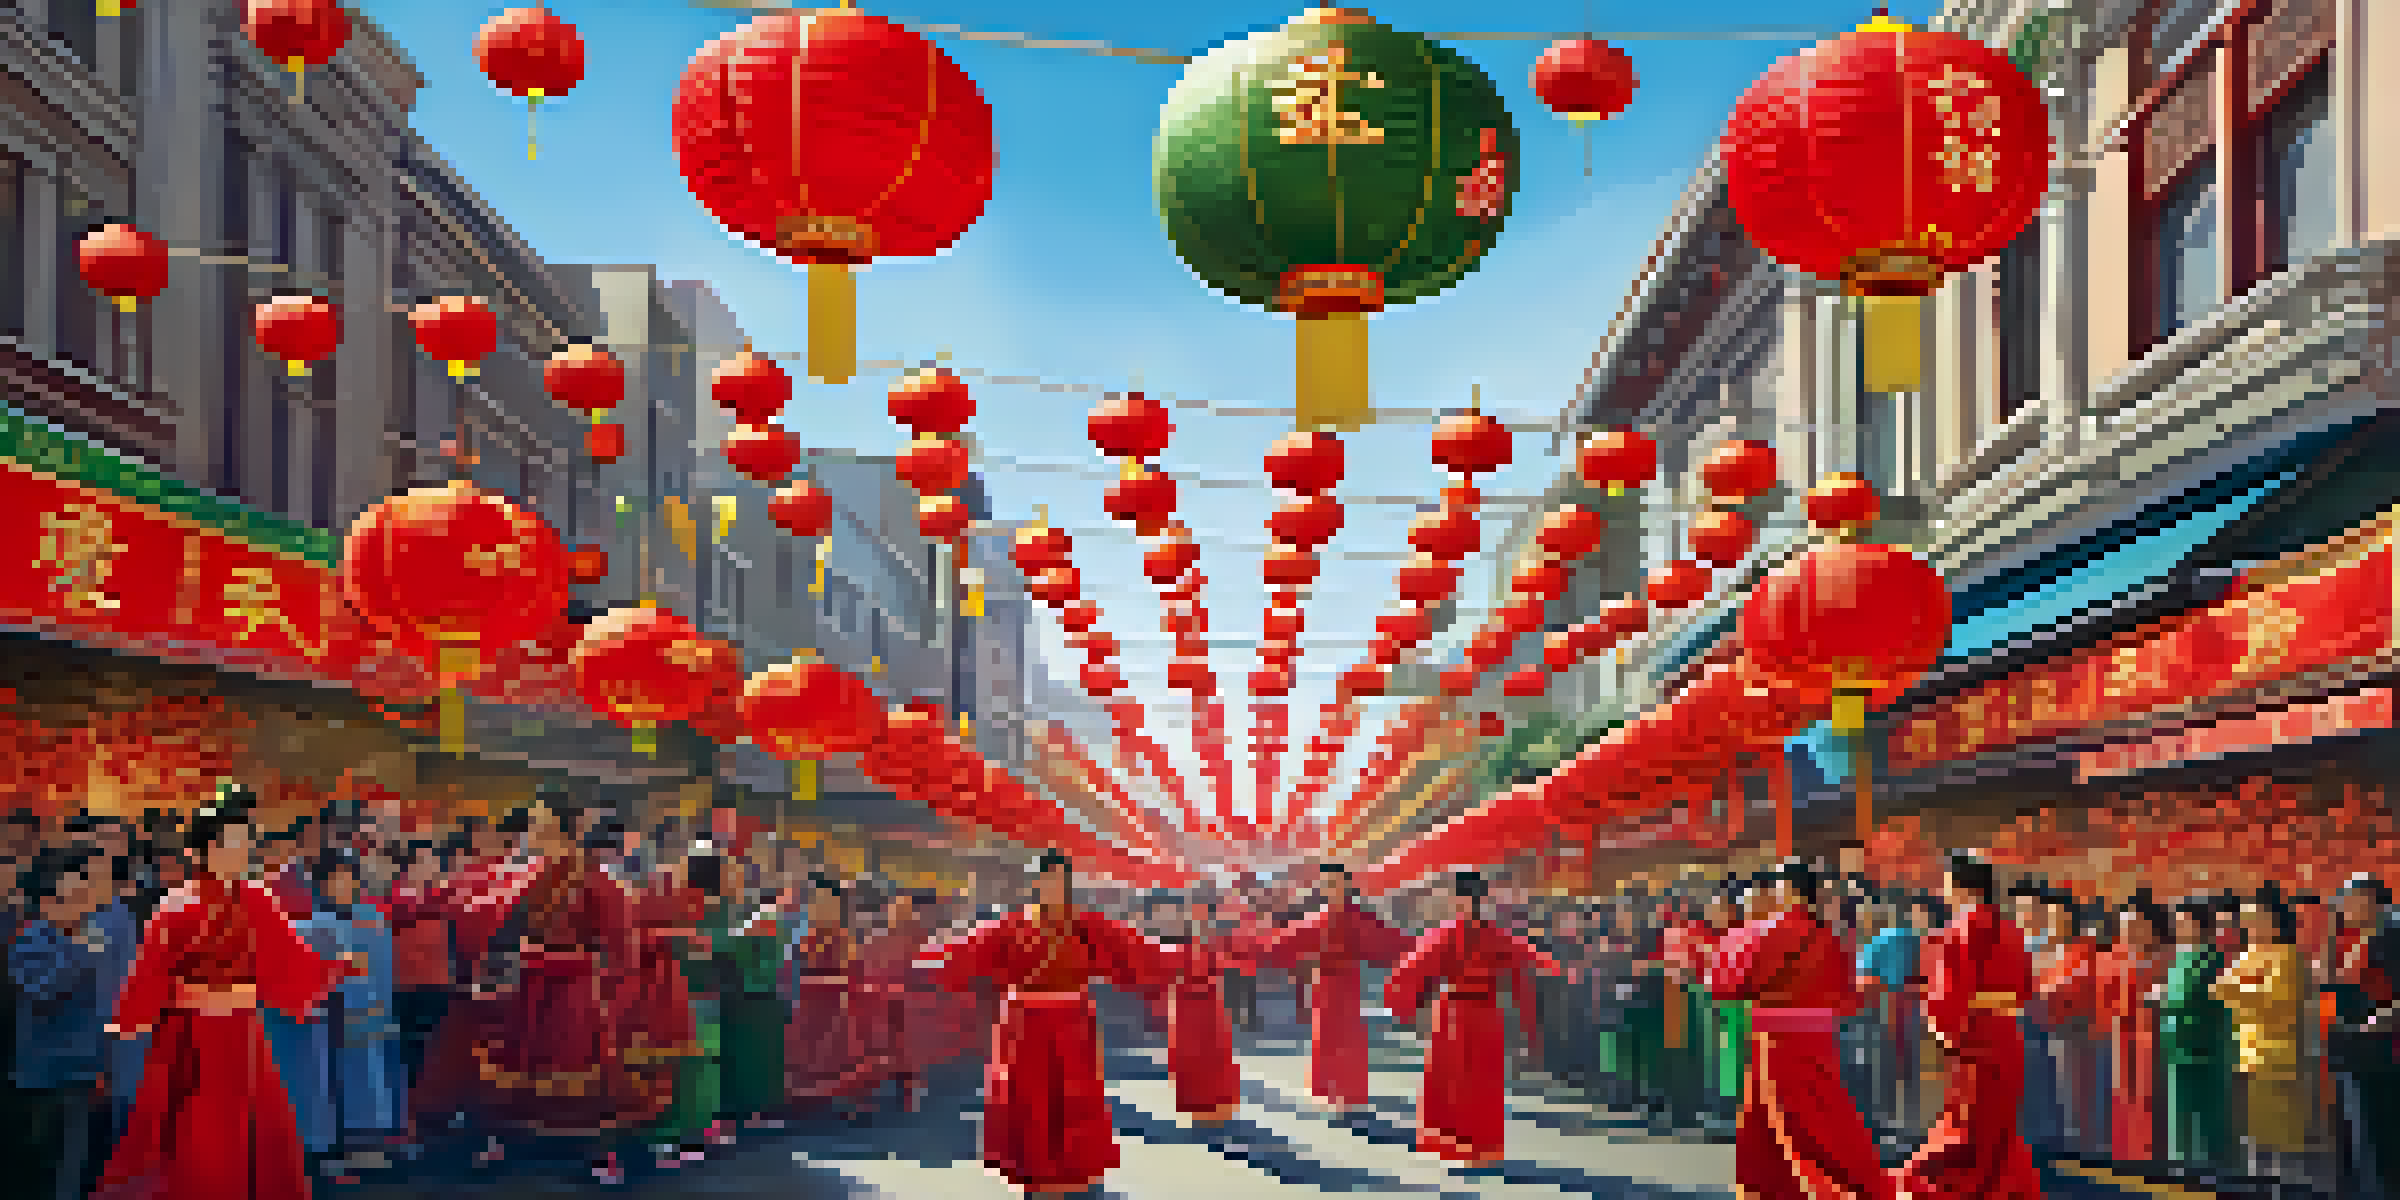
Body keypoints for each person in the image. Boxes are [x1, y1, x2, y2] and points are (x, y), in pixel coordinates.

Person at [93, 786, 359, 1200]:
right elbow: (149, 973)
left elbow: (288, 959)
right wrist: (126, 1031)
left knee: (251, 1125)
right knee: (196, 1129)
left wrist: (334, 969)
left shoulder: (256, 899)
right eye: (234, 842)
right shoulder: (177, 903)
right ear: (203, 851)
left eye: (245, 840)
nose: (244, 850)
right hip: (187, 1035)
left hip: (241, 1032)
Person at [926, 849, 1171, 1196]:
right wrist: (923, 960)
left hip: (1072, 1023)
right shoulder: (1011, 925)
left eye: (1061, 880)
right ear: (1036, 883)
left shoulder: (1087, 924)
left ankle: (1075, 1168)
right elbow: (966, 952)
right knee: (1030, 1098)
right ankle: (1034, 1169)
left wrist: (1177, 957)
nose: (1054, 886)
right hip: (1024, 1027)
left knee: (1073, 1097)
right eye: (1048, 879)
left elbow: (1134, 949)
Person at [1704, 860, 1891, 1200]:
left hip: (1774, 1041)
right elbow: (1847, 999)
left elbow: (1727, 986)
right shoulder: (1831, 938)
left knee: (1772, 1122)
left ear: (1788, 890)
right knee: (1826, 1116)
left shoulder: (1764, 933)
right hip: (1818, 1040)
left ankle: (1776, 1188)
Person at [1893, 853, 2041, 1200]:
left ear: (1961, 886)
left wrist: (1940, 1030)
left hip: (1974, 1036)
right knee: (1998, 1124)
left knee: (1965, 1123)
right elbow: (2025, 988)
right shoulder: (2011, 930)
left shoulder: (1956, 931)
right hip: (2006, 1033)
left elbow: (1946, 995)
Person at [1385, 871, 1555, 1164]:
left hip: (1453, 1012)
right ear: (1483, 898)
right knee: (1482, 1084)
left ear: (1457, 898)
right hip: (1486, 1013)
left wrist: (1406, 1007)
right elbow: (1523, 974)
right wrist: (1529, 1027)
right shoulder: (1497, 935)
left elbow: (1410, 971)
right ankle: (1483, 1149)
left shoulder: (1445, 932)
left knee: (1453, 1082)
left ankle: (1459, 1146)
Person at [10, 843, 132, 1200]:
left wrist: (108, 1061)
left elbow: (103, 1001)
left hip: (85, 1070)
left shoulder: (92, 933)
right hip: (43, 1075)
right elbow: (44, 990)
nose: (85, 901)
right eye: (77, 891)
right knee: (40, 1169)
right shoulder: (33, 936)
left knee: (73, 1168)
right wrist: (82, 949)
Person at [1258, 862, 1413, 1114]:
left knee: (1348, 1034)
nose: (1331, 887)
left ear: (1347, 884)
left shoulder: (1358, 917)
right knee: (1326, 1034)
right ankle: (1327, 1089)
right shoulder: (1319, 917)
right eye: (1327, 882)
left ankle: (1348, 1090)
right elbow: (1283, 943)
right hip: (1325, 983)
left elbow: (1391, 942)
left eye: (1336, 881)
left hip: (1348, 982)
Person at [309, 847, 400, 1169]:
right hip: (332, 1016)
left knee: (374, 1076)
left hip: (373, 1013)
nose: (343, 885)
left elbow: (384, 965)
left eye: (349, 878)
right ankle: (338, 1149)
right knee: (333, 1079)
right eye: (336, 879)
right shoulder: (314, 924)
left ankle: (373, 1144)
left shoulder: (371, 918)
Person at [2212, 886, 2306, 1182]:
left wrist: (2239, 991)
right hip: (2244, 1056)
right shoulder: (2247, 957)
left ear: (2274, 921)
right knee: (2252, 1140)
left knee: (2280, 1143)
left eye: (2255, 920)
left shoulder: (2287, 957)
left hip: (2276, 1061)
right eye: (2247, 921)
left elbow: (2277, 1003)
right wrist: (2242, 991)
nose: (2249, 927)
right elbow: (2222, 990)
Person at [2325, 874, 2398, 1198]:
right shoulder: (2360, 940)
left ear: (2371, 900)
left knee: (2380, 1140)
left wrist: (2369, 1026)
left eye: (2349, 898)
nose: (2342, 905)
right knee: (2361, 1139)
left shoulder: (2390, 938)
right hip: (2357, 1051)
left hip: (2381, 1054)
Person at [785, 871, 878, 1117]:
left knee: (837, 1052)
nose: (814, 903)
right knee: (812, 1050)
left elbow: (851, 967)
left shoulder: (841, 933)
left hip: (832, 997)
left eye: (819, 897)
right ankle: (810, 1101)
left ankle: (848, 1103)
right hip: (812, 996)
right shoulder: (809, 930)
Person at [1155, 891, 1243, 1125]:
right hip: (1186, 1007)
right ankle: (1197, 1108)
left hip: (1209, 1006)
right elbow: (1161, 965)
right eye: (1194, 910)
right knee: (1191, 1058)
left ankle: (1218, 1107)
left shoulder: (1219, 941)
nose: (1198, 915)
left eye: (1202, 910)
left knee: (1212, 1057)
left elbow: (1234, 962)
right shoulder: (1176, 941)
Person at [2160, 897, 2233, 1173]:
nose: (2177, 927)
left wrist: (2167, 1000)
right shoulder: (2180, 958)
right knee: (2179, 1124)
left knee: (2206, 1125)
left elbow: (2199, 999)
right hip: (2176, 1051)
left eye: (2183, 921)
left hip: (2203, 1054)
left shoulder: (2212, 959)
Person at [2099, 892, 2172, 1164]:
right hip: (2120, 1040)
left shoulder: (2167, 960)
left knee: (2155, 1101)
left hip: (2155, 1041)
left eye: (2136, 928)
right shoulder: (2113, 960)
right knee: (2125, 1099)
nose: (2129, 935)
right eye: (2125, 928)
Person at [2033, 888, 2101, 1156]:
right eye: (2049, 917)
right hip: (2045, 1026)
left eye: (2057, 917)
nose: (2052, 923)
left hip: (2076, 1028)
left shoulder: (2085, 949)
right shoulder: (2047, 950)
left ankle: (2081, 1144)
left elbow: (2087, 986)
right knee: (2053, 1086)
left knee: (2077, 1087)